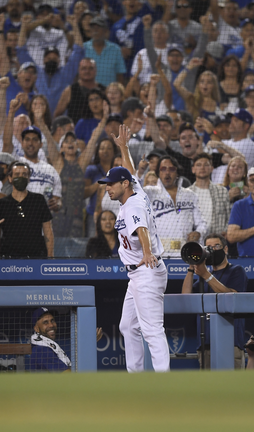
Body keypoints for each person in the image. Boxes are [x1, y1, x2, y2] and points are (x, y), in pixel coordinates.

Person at [100, 124, 170, 373]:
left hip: (146, 269)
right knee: (128, 326)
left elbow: (142, 229)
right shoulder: (135, 191)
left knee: (152, 330)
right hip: (138, 273)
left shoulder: (132, 206)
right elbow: (129, 172)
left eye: (110, 184)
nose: (107, 187)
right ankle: (136, 377)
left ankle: (163, 381)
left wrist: (148, 252)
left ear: (123, 185)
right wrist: (123, 147)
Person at [181, 234, 247, 370]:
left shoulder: (236, 271)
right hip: (206, 344)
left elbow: (231, 297)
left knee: (233, 388)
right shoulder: (202, 278)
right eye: (208, 247)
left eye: (216, 246)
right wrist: (191, 268)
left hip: (230, 342)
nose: (212, 250)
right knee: (208, 389)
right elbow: (185, 297)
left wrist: (206, 274)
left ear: (226, 249)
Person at [44, 101, 106, 238]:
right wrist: (39, 119)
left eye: (73, 141)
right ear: (61, 148)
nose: (70, 143)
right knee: (57, 252)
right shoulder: (58, 162)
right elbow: (48, 138)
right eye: (66, 141)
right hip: (58, 216)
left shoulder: (81, 163)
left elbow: (94, 138)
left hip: (77, 217)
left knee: (75, 252)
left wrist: (105, 118)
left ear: (77, 146)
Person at [145, 156, 207, 258]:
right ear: (158, 173)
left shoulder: (190, 195)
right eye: (163, 169)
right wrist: (140, 172)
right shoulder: (149, 192)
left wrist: (199, 233)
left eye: (172, 169)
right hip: (157, 254)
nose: (167, 173)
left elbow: (201, 223)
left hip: (185, 253)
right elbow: (131, 189)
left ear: (177, 173)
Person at [0, 162, 54, 258]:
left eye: (24, 174)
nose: (21, 177)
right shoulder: (2, 204)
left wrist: (50, 255)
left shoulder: (38, 200)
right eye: (17, 174)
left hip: (36, 257)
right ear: (10, 178)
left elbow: (47, 230)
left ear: (29, 178)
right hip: (10, 258)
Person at [186, 154, 230, 239]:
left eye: (206, 165)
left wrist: (225, 232)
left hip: (217, 242)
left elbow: (229, 217)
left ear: (212, 169)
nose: (202, 168)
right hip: (194, 242)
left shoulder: (222, 191)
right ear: (193, 169)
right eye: (199, 165)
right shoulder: (186, 194)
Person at [85, 16, 126, 87]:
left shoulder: (115, 49)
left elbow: (120, 76)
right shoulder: (83, 48)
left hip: (109, 94)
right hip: (87, 93)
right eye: (93, 28)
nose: (95, 31)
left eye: (98, 28)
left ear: (105, 31)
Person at [30, 307, 71, 372]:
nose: (51, 325)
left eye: (52, 321)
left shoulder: (46, 345)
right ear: (36, 329)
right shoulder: (42, 350)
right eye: (45, 322)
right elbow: (66, 374)